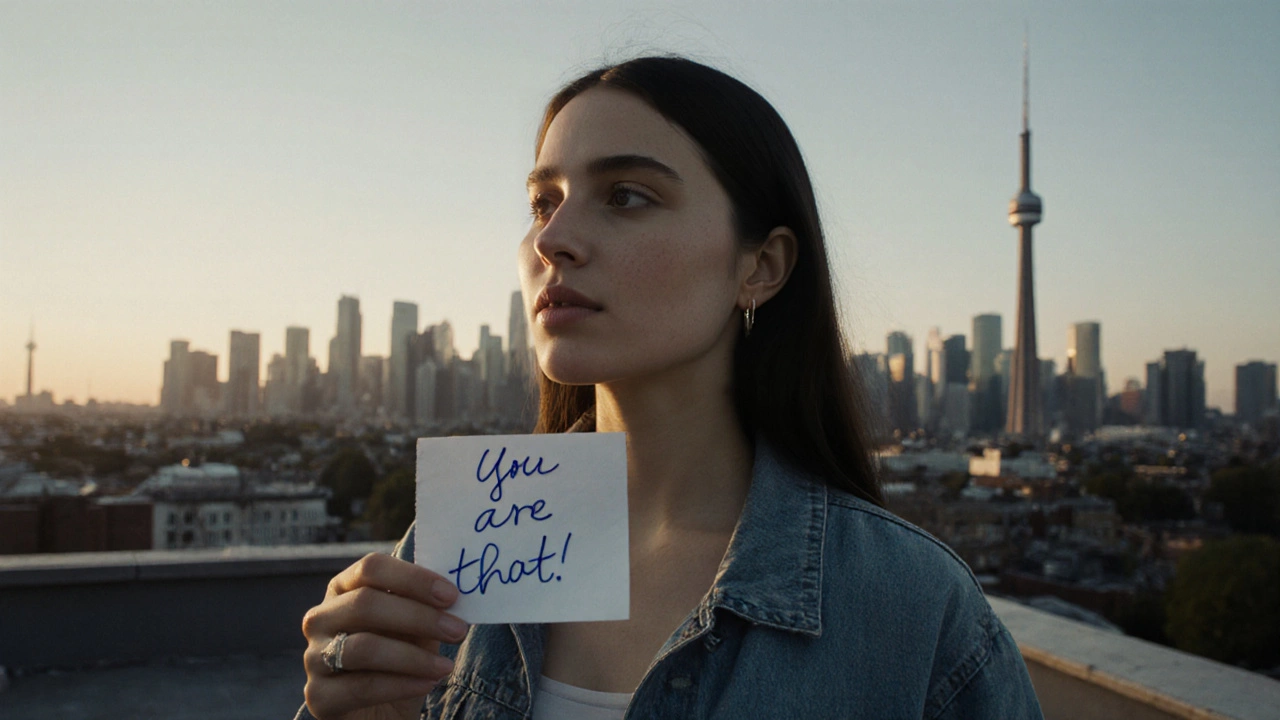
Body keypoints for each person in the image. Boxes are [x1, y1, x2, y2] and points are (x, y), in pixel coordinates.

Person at [296, 56, 1044, 720]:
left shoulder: (913, 612)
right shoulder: (450, 552)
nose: (553, 238)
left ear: (761, 267)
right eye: (542, 201)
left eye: (626, 195)